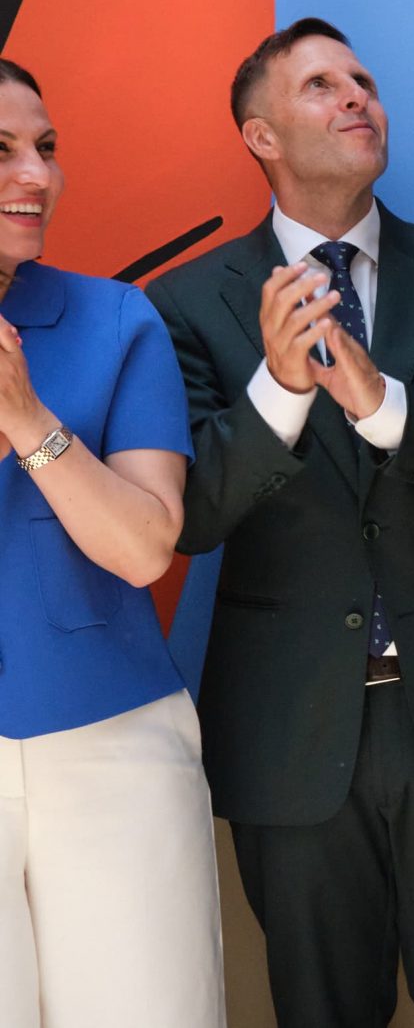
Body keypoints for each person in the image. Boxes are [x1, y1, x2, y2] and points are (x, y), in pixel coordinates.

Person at [146, 19, 414, 1027]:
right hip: (291, 735)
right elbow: (189, 518)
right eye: (321, 86)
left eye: (364, 80)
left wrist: (383, 407)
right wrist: (278, 389)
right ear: (260, 134)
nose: (357, 97)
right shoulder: (185, 304)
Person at [0, 57, 224, 1027]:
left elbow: (145, 546)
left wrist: (27, 420)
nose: (38, 176)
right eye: (2, 151)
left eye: (46, 148)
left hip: (114, 751)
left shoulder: (115, 318)